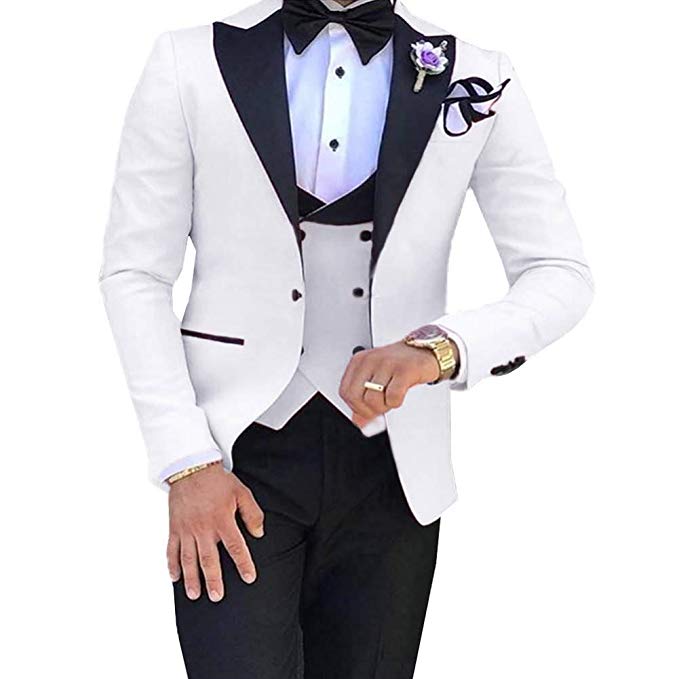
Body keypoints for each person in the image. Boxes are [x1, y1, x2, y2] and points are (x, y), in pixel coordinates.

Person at [100, 0, 593, 677]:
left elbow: (559, 273)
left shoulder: (477, 74)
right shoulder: (190, 61)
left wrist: (438, 350)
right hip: (234, 459)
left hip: (395, 470)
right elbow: (135, 271)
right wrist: (186, 461)